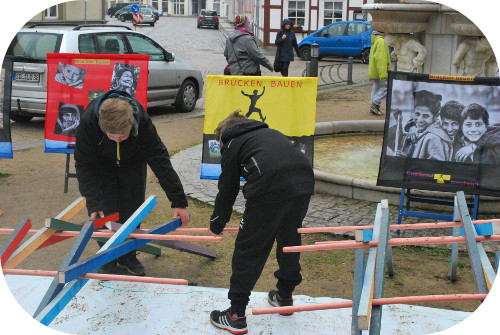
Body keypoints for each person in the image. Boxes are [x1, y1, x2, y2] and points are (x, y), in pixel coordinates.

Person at [208, 111, 314, 334]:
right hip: (304, 181)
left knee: (249, 247)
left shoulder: (231, 142)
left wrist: (217, 222)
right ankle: (284, 297)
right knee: (289, 238)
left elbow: (227, 189)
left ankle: (235, 314)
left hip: (269, 187)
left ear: (223, 134)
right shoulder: (270, 132)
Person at [74, 89, 189, 276]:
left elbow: (160, 160)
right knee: (105, 212)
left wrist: (179, 201)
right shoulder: (89, 122)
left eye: (122, 137)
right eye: (112, 136)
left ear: (131, 124)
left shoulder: (142, 122)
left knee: (133, 209)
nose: (117, 140)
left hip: (133, 163)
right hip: (103, 166)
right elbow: (84, 164)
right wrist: (93, 202)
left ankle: (128, 257)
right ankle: (108, 256)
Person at [398, 90, 451, 161]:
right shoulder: (421, 129)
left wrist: (406, 161)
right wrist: (412, 126)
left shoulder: (434, 138)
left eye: (425, 116)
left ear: (436, 116)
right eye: (417, 114)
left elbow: (434, 167)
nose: (419, 120)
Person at [368, 31, 391, 116]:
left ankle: (373, 105)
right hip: (380, 70)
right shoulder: (381, 41)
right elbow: (381, 59)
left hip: (375, 70)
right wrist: (383, 74)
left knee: (376, 86)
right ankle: (374, 104)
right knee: (386, 86)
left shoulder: (376, 41)